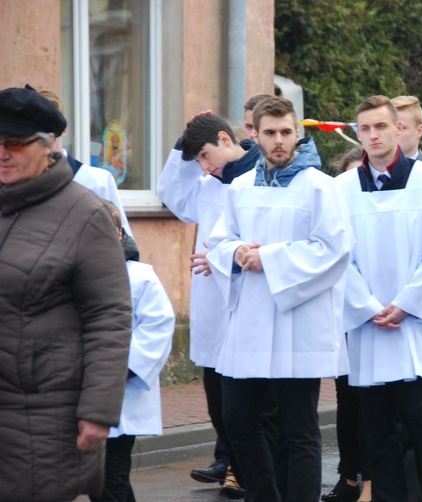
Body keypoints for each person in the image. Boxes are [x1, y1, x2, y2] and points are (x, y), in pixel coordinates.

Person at [207, 96, 353, 502]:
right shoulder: (238, 187)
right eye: (270, 133)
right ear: (255, 134)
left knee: (298, 427)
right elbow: (219, 240)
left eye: (286, 132)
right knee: (237, 418)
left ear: (297, 133)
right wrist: (235, 253)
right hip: (251, 318)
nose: (278, 141)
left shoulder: (319, 186)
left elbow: (334, 249)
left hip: (297, 321)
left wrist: (268, 258)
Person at [336, 95, 422, 502]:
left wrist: (408, 303)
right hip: (370, 324)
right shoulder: (340, 189)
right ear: (357, 134)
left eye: (381, 126)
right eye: (365, 128)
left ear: (398, 128)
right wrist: (368, 306)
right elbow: (336, 255)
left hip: (419, 323)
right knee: (375, 426)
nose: (373, 135)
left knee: (418, 419)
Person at [0, 85, 132, 501]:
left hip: (43, 415)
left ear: (47, 146)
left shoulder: (85, 213)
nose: (2, 153)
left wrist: (98, 411)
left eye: (14, 144)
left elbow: (109, 317)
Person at [157, 111, 261, 499]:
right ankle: (229, 458)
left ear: (224, 138)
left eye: (204, 156)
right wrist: (180, 146)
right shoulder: (208, 187)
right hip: (212, 303)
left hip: (247, 296)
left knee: (245, 394)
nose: (203, 167)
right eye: (197, 161)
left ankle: (241, 465)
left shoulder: (259, 178)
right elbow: (172, 194)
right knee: (217, 391)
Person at [91, 201, 175, 502]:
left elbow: (158, 324)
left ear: (118, 234)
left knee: (110, 478)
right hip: (77, 391)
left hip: (120, 393)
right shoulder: (68, 274)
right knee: (99, 482)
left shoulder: (139, 277)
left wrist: (123, 368)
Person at [322, 143, 372, 502]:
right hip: (345, 313)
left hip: (379, 314)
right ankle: (348, 475)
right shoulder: (335, 203)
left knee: (374, 403)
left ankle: (373, 476)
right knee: (347, 399)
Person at [38, 88, 134, 239]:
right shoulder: (17, 183)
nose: (45, 139)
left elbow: (124, 244)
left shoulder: (97, 181)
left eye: (50, 130)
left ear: (63, 130)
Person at [391, 95, 422, 163]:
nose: (394, 132)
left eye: (402, 128)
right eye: (389, 127)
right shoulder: (370, 169)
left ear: (419, 131)